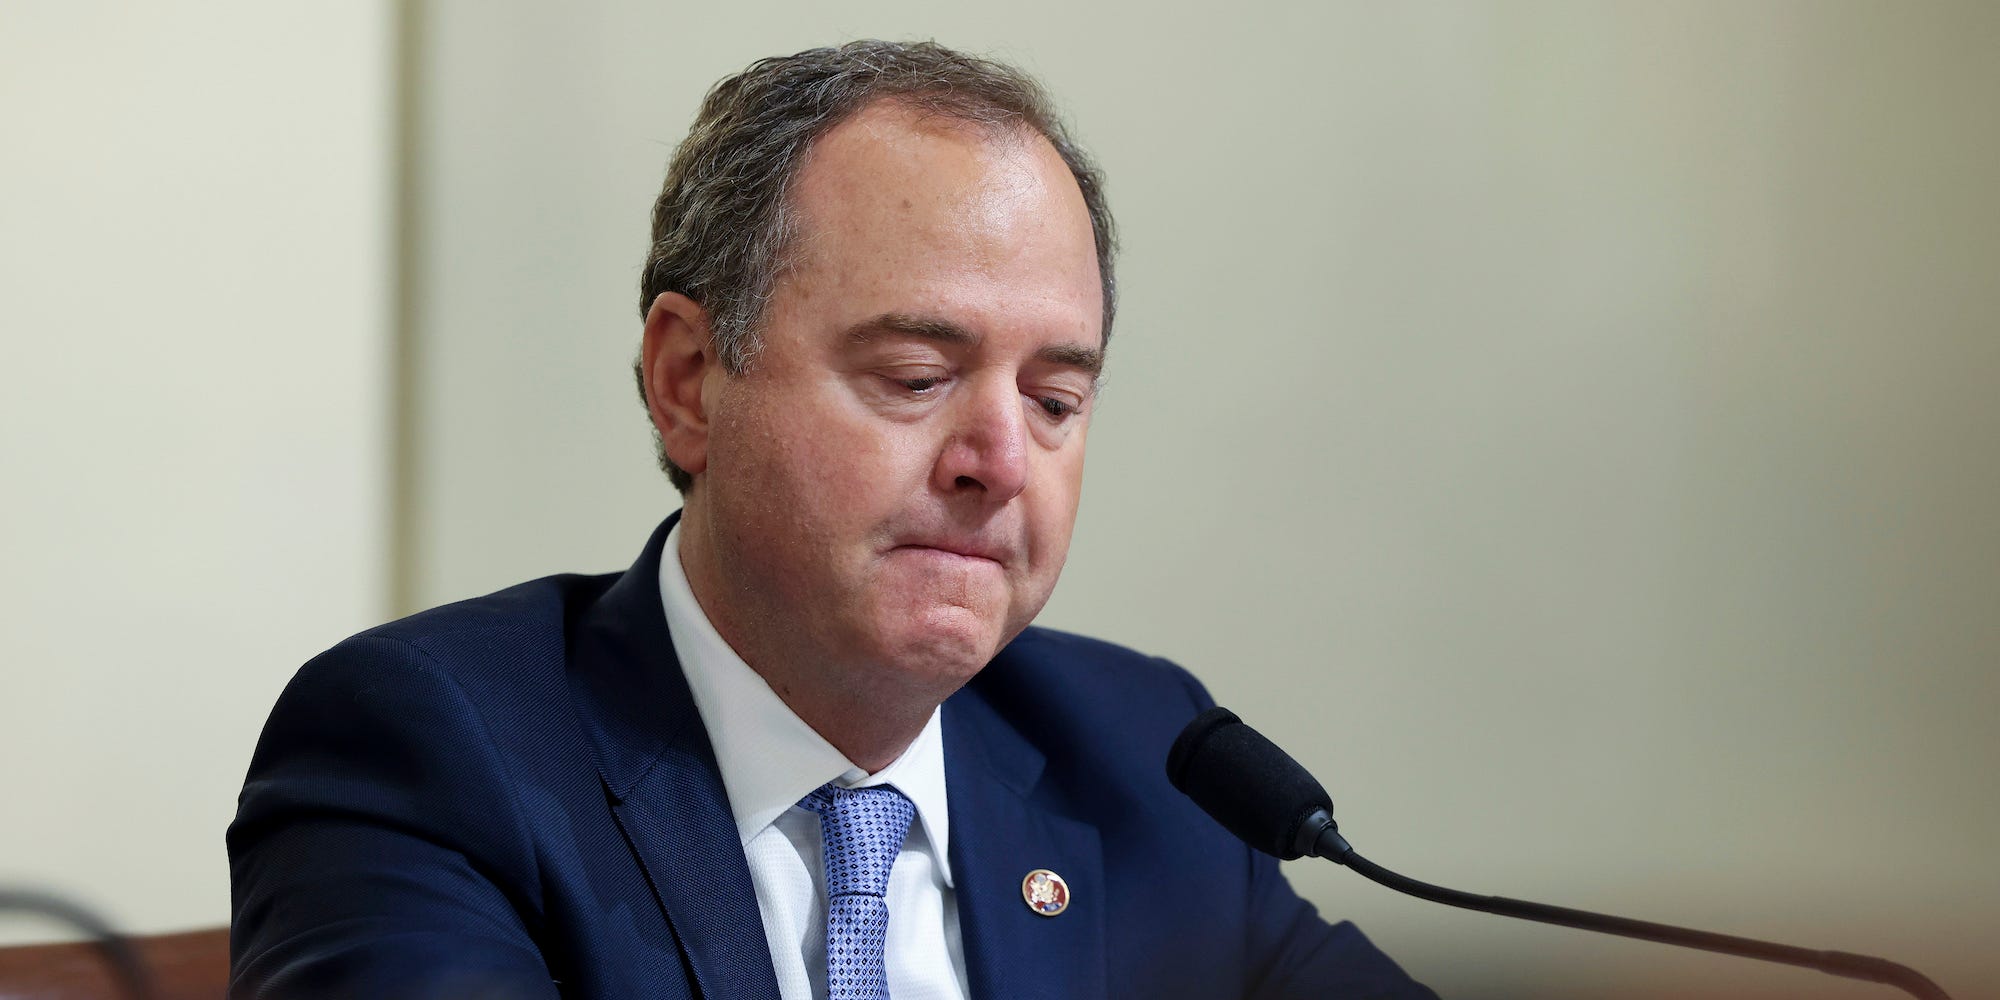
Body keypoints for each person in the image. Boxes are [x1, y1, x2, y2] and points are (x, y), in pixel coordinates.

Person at [228, 40, 1436, 1000]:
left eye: (1055, 399)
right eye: (915, 375)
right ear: (689, 380)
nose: (1000, 462)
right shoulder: (432, 751)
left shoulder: (1138, 756)